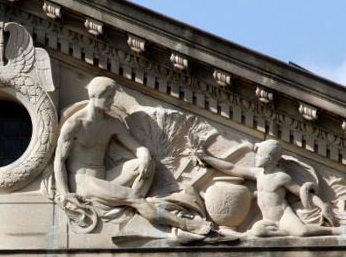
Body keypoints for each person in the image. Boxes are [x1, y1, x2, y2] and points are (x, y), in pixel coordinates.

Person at [53, 76, 212, 236]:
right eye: (108, 97)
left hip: (104, 178)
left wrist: (145, 155)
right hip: (83, 183)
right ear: (94, 96)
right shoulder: (75, 124)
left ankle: (131, 204)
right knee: (133, 196)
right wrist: (65, 193)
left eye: (112, 97)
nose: (111, 102)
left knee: (144, 164)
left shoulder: (112, 123)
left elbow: (136, 147)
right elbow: (59, 160)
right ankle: (185, 224)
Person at [194, 139, 344, 237]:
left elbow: (303, 193)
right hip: (268, 220)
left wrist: (323, 206)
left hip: (283, 216)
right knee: (257, 231)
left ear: (270, 159)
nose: (255, 158)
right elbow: (231, 168)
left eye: (259, 155)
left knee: (302, 232)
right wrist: (207, 157)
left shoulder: (281, 177)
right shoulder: (259, 173)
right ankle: (284, 233)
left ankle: (333, 231)